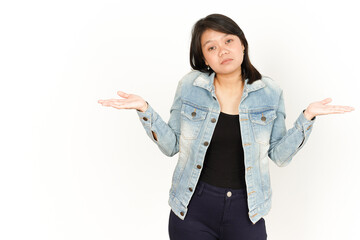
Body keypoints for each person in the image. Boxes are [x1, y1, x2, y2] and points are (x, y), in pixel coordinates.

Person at [98, 13, 355, 240]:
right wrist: (145, 110)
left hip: (247, 210)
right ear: (204, 58)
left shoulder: (270, 92)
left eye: (228, 41)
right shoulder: (190, 86)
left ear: (242, 44)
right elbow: (171, 145)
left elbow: (279, 155)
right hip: (193, 208)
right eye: (211, 47)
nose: (222, 51)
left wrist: (307, 118)